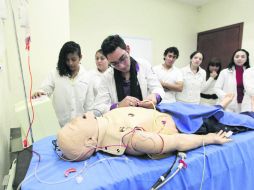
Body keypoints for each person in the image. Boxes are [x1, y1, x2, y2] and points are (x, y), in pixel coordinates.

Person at [57, 94, 253, 161]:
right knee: (240, 120)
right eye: (73, 128)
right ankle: (223, 109)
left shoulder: (105, 119)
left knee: (206, 109)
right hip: (190, 125)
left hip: (169, 110)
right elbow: (176, 141)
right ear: (91, 141)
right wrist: (210, 138)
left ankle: (219, 106)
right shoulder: (131, 140)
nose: (73, 120)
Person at [93, 35, 165, 114]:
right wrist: (118, 106)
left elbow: (158, 88)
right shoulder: (107, 76)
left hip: (145, 117)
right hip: (120, 122)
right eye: (114, 63)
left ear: (127, 49)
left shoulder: (144, 65)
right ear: (108, 60)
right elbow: (98, 108)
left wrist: (155, 96)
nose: (121, 66)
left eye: (123, 58)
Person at [32, 41, 94, 127]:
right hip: (59, 124)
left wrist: (90, 123)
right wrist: (39, 92)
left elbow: (89, 105)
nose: (70, 63)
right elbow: (45, 90)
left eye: (73, 59)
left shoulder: (87, 77)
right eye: (67, 60)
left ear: (80, 57)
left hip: (80, 125)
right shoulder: (55, 73)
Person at [214, 49, 250, 113]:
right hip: (227, 104)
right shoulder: (225, 72)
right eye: (237, 56)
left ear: (246, 59)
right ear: (233, 58)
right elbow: (216, 88)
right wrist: (225, 96)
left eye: (243, 57)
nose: (239, 58)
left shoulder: (250, 73)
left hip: (243, 105)